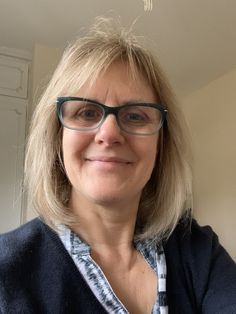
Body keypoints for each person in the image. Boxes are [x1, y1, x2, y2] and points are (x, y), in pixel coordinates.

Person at [0, 17, 236, 314]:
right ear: (56, 137)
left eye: (136, 116)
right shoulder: (7, 273)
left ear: (161, 144)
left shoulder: (198, 250)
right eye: (86, 112)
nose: (109, 134)